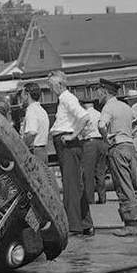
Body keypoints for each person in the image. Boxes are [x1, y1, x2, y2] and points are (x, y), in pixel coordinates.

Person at [47, 71, 93, 236]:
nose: (51, 89)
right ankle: (84, 223)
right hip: (67, 144)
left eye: (51, 85)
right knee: (75, 185)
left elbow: (84, 117)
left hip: (68, 144)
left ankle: (74, 226)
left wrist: (73, 135)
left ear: (59, 84)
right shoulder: (65, 99)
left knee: (71, 186)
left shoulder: (67, 98)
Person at [97, 78, 137, 236]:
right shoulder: (125, 106)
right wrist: (130, 133)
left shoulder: (108, 107)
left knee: (123, 187)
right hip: (130, 147)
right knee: (131, 185)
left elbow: (101, 125)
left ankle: (130, 225)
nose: (97, 95)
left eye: (99, 91)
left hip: (117, 148)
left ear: (105, 92)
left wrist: (106, 137)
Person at [79, 99, 107, 205]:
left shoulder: (84, 115)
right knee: (100, 172)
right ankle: (102, 197)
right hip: (101, 142)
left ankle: (89, 199)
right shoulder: (99, 114)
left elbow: (82, 131)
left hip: (89, 143)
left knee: (88, 172)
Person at [20, 83, 50, 167]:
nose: (21, 97)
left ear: (27, 95)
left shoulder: (31, 110)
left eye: (22, 94)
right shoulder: (42, 110)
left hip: (35, 152)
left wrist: (22, 146)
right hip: (43, 151)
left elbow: (32, 132)